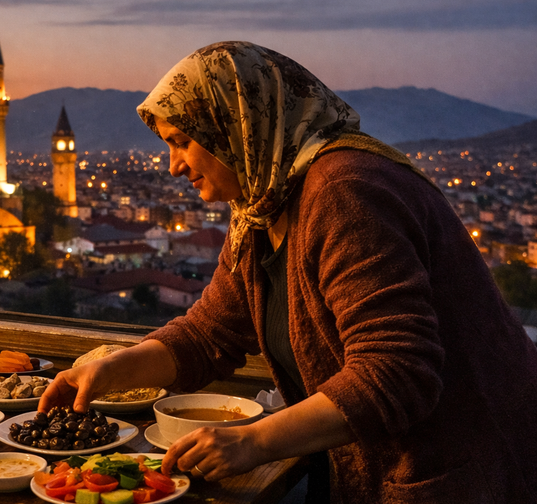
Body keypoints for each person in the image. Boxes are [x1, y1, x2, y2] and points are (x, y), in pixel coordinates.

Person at [38, 41, 537, 503]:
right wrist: (108, 370)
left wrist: (252, 441)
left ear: (234, 125)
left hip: (463, 467)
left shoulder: (344, 190)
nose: (172, 165)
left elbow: (396, 372)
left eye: (183, 141)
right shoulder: (263, 208)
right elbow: (209, 332)